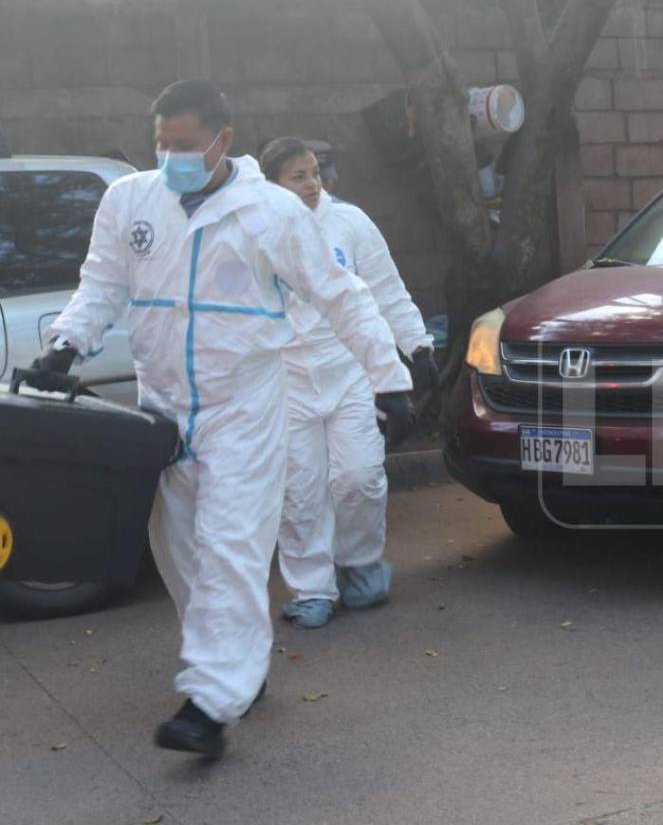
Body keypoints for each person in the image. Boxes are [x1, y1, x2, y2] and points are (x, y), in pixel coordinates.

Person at [31, 80, 415, 760]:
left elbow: (341, 295)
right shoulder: (130, 202)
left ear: (223, 142)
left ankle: (210, 701)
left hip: (246, 406)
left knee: (231, 545)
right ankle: (236, 667)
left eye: (185, 144)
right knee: (178, 551)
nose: (171, 155)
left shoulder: (271, 214)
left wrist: (390, 380)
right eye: (161, 142)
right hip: (161, 406)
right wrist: (66, 345)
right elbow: (102, 284)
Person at [259, 137, 436, 629]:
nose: (313, 184)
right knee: (301, 491)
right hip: (286, 379)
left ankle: (359, 565)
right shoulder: (254, 231)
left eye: (315, 173)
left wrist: (416, 347)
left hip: (349, 371)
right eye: (298, 176)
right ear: (271, 185)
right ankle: (311, 590)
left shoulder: (350, 223)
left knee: (358, 477)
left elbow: (385, 291)